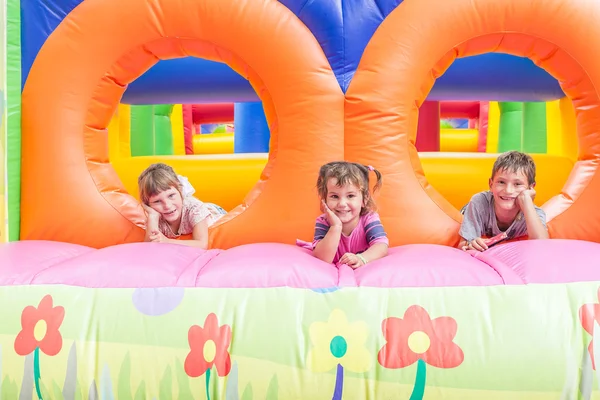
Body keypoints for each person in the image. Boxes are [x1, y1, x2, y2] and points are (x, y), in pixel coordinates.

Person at [298, 161, 389, 268]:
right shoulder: (323, 221)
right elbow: (323, 258)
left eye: (350, 196)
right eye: (334, 196)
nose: (342, 204)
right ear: (324, 199)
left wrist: (361, 258)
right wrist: (335, 226)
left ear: (364, 198)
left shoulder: (369, 218)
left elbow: (381, 245)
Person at [459, 151, 548, 252]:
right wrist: (471, 244)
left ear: (531, 188)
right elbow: (462, 245)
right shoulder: (479, 203)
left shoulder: (535, 213)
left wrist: (527, 201)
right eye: (501, 182)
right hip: (467, 210)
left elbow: (542, 245)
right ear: (491, 184)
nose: (508, 190)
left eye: (517, 184)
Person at [137, 163, 226, 249]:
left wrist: (167, 241)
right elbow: (148, 248)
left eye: (171, 195)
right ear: (148, 204)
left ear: (180, 192)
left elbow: (202, 244)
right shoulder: (155, 216)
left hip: (215, 212)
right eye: (157, 201)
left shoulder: (194, 209)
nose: (167, 205)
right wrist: (153, 216)